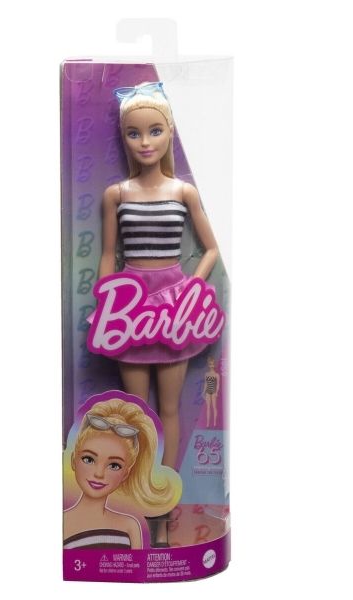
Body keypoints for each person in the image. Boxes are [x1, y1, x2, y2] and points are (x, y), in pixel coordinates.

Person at [95, 81, 221, 471]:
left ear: (170, 131)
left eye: (155, 130)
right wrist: (106, 306)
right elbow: (108, 254)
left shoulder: (183, 192)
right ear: (123, 137)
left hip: (173, 308)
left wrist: (192, 290)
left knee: (169, 408)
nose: (145, 142)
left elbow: (211, 248)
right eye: (133, 133)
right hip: (130, 305)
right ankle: (138, 488)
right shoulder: (117, 194)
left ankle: (165, 492)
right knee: (137, 411)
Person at [63, 397, 179, 550]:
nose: (99, 474)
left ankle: (162, 530)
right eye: (88, 459)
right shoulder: (62, 523)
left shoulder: (130, 526)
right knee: (143, 399)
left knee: (168, 407)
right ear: (73, 460)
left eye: (114, 465)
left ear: (126, 473)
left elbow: (138, 563)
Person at [202, 356, 221, 428]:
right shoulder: (206, 374)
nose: (211, 365)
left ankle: (215, 423)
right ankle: (207, 424)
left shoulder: (216, 375)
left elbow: (218, 384)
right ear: (208, 365)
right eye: (210, 364)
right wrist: (203, 392)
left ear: (214, 364)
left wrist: (216, 392)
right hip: (208, 391)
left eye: (212, 364)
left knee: (214, 407)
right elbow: (206, 384)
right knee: (208, 408)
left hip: (213, 391)